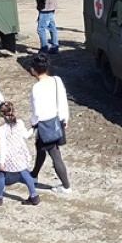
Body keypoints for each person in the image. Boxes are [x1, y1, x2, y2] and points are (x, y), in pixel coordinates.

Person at [28, 54, 72, 193]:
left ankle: (66, 186)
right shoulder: (56, 80)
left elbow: (36, 111)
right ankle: (34, 175)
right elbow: (63, 100)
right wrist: (65, 119)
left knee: (54, 154)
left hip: (45, 125)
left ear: (34, 70)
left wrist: (33, 124)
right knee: (41, 149)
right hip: (57, 121)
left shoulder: (37, 87)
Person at [0, 102, 40, 206]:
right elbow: (26, 135)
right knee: (24, 172)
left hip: (9, 157)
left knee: (1, 174)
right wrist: (34, 128)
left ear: (1, 115)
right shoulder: (20, 123)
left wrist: (1, 162)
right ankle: (34, 196)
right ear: (13, 111)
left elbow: (3, 147)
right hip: (20, 153)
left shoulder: (2, 129)